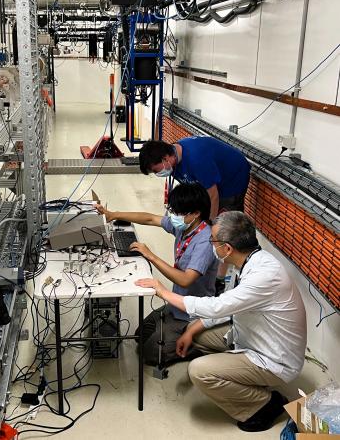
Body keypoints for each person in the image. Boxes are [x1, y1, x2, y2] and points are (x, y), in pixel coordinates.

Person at [135, 211, 307, 432]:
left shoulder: (263, 276)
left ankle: (264, 405)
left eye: (213, 241)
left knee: (199, 371)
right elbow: (229, 306)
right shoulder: (250, 261)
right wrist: (192, 328)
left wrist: (162, 292)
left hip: (275, 358)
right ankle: (233, 370)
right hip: (251, 334)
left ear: (227, 248)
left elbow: (216, 306)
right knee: (193, 330)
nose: (210, 244)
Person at [95, 182, 217, 365]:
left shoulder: (204, 242)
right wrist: (112, 214)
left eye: (178, 212)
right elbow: (150, 218)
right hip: (176, 303)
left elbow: (185, 280)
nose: (173, 216)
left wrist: (151, 256)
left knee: (150, 354)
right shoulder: (186, 226)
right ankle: (174, 333)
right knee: (139, 336)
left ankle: (200, 345)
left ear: (196, 213)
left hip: (193, 311)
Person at [138, 136, 251, 292]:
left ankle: (220, 279)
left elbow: (213, 195)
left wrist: (208, 227)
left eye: (156, 170)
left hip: (232, 180)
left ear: (165, 159)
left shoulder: (197, 159)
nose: (158, 173)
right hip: (212, 179)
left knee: (225, 230)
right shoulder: (175, 160)